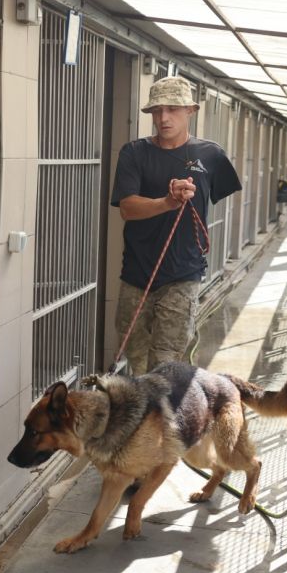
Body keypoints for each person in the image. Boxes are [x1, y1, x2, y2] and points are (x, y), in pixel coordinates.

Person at [110, 76, 241, 375]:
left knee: (166, 364)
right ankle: (148, 405)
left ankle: (175, 402)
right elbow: (127, 208)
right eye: (157, 110)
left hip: (183, 274)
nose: (163, 118)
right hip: (136, 273)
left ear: (190, 111)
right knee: (137, 360)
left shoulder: (211, 155)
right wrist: (167, 202)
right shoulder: (134, 153)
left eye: (172, 109)